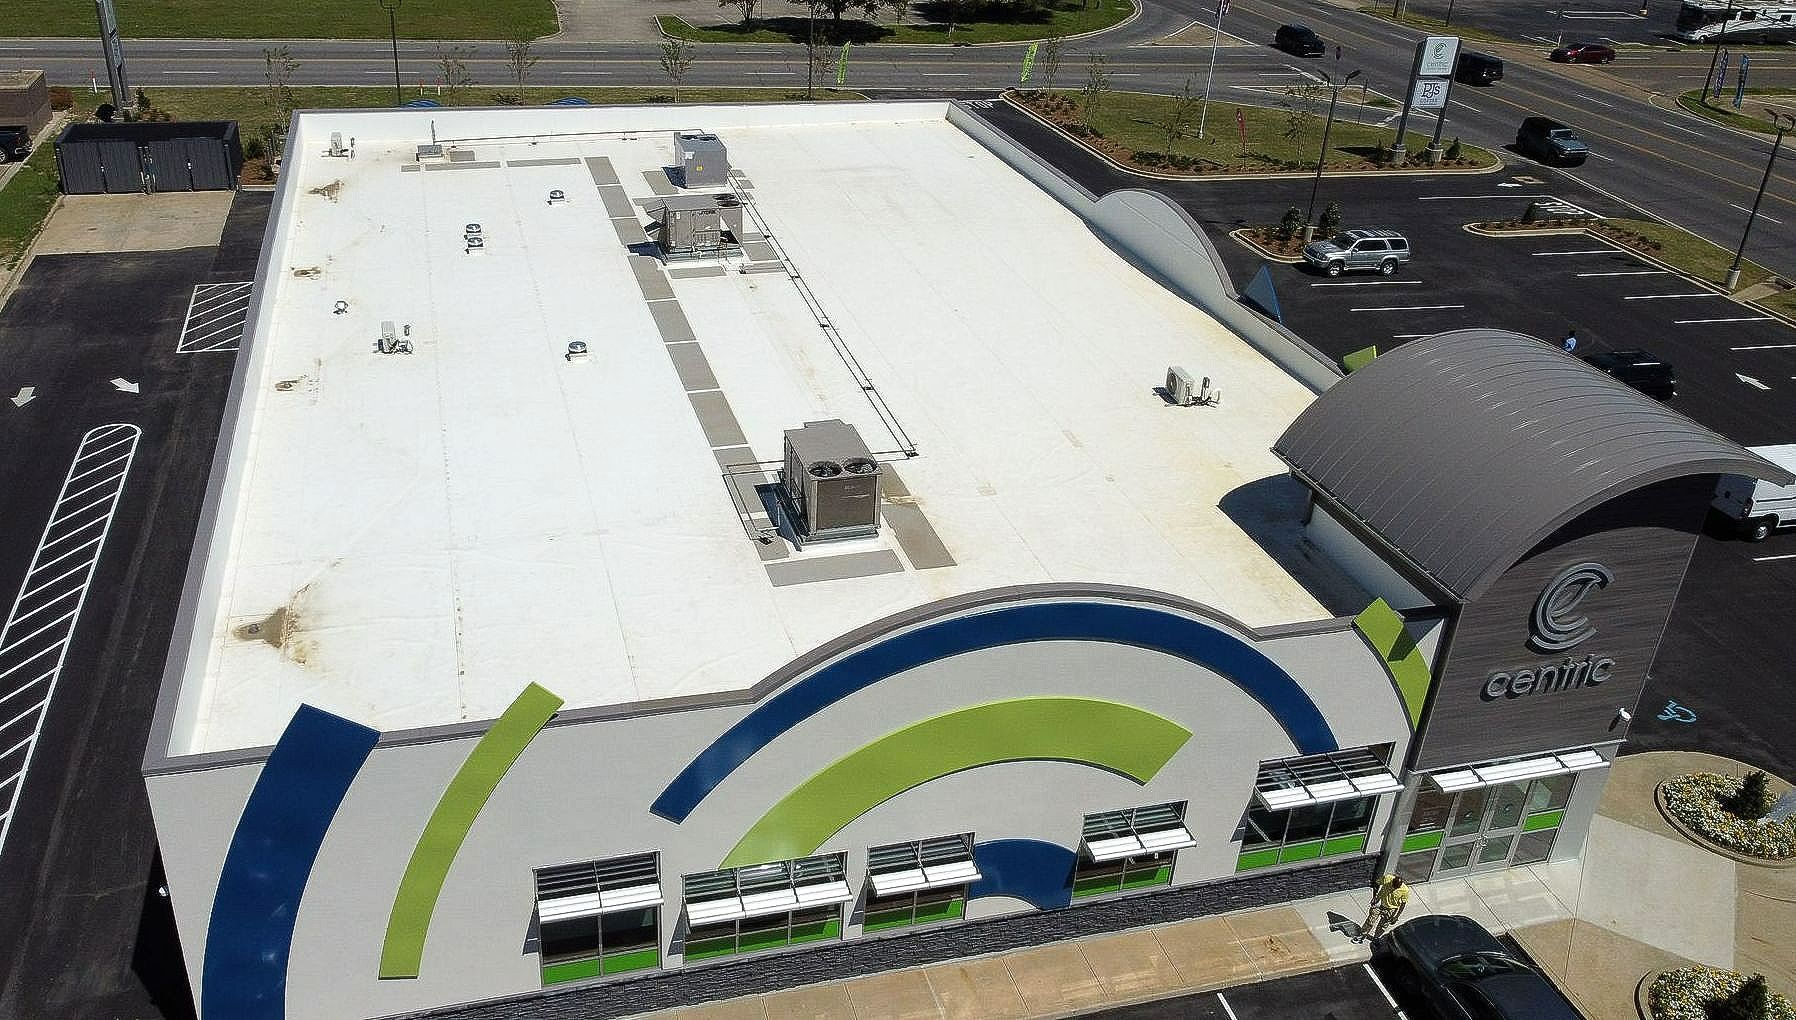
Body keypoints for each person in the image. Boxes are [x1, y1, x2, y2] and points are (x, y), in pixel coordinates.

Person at [1355, 873, 1409, 943]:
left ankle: (1376, 938)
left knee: (1383, 926)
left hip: (1391, 909)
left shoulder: (1405, 890)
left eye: (1396, 887)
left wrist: (1396, 917)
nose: (1394, 888)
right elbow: (1376, 884)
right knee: (1370, 921)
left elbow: (1403, 904)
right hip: (1379, 903)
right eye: (1393, 886)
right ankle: (1362, 935)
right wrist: (1375, 896)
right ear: (1392, 881)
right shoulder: (1387, 878)